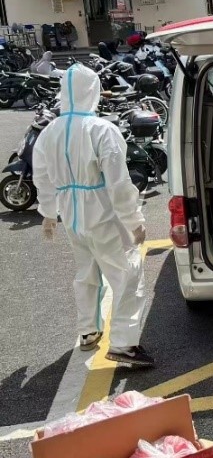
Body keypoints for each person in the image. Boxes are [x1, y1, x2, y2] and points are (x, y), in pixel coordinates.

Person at [33, 63, 154, 368]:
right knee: (127, 274)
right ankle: (124, 345)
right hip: (102, 213)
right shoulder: (102, 130)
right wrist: (134, 220)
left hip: (71, 214)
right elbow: (118, 183)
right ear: (94, 91)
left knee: (86, 273)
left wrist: (49, 213)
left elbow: (42, 177)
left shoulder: (49, 132)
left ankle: (88, 330)